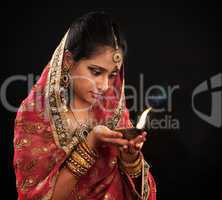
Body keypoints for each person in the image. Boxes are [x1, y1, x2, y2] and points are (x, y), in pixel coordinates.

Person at [13, 11, 156, 200]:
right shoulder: (35, 116)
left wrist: (130, 161)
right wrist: (91, 144)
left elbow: (139, 191)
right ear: (68, 61)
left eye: (112, 75)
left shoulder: (113, 112)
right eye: (96, 72)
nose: (105, 86)